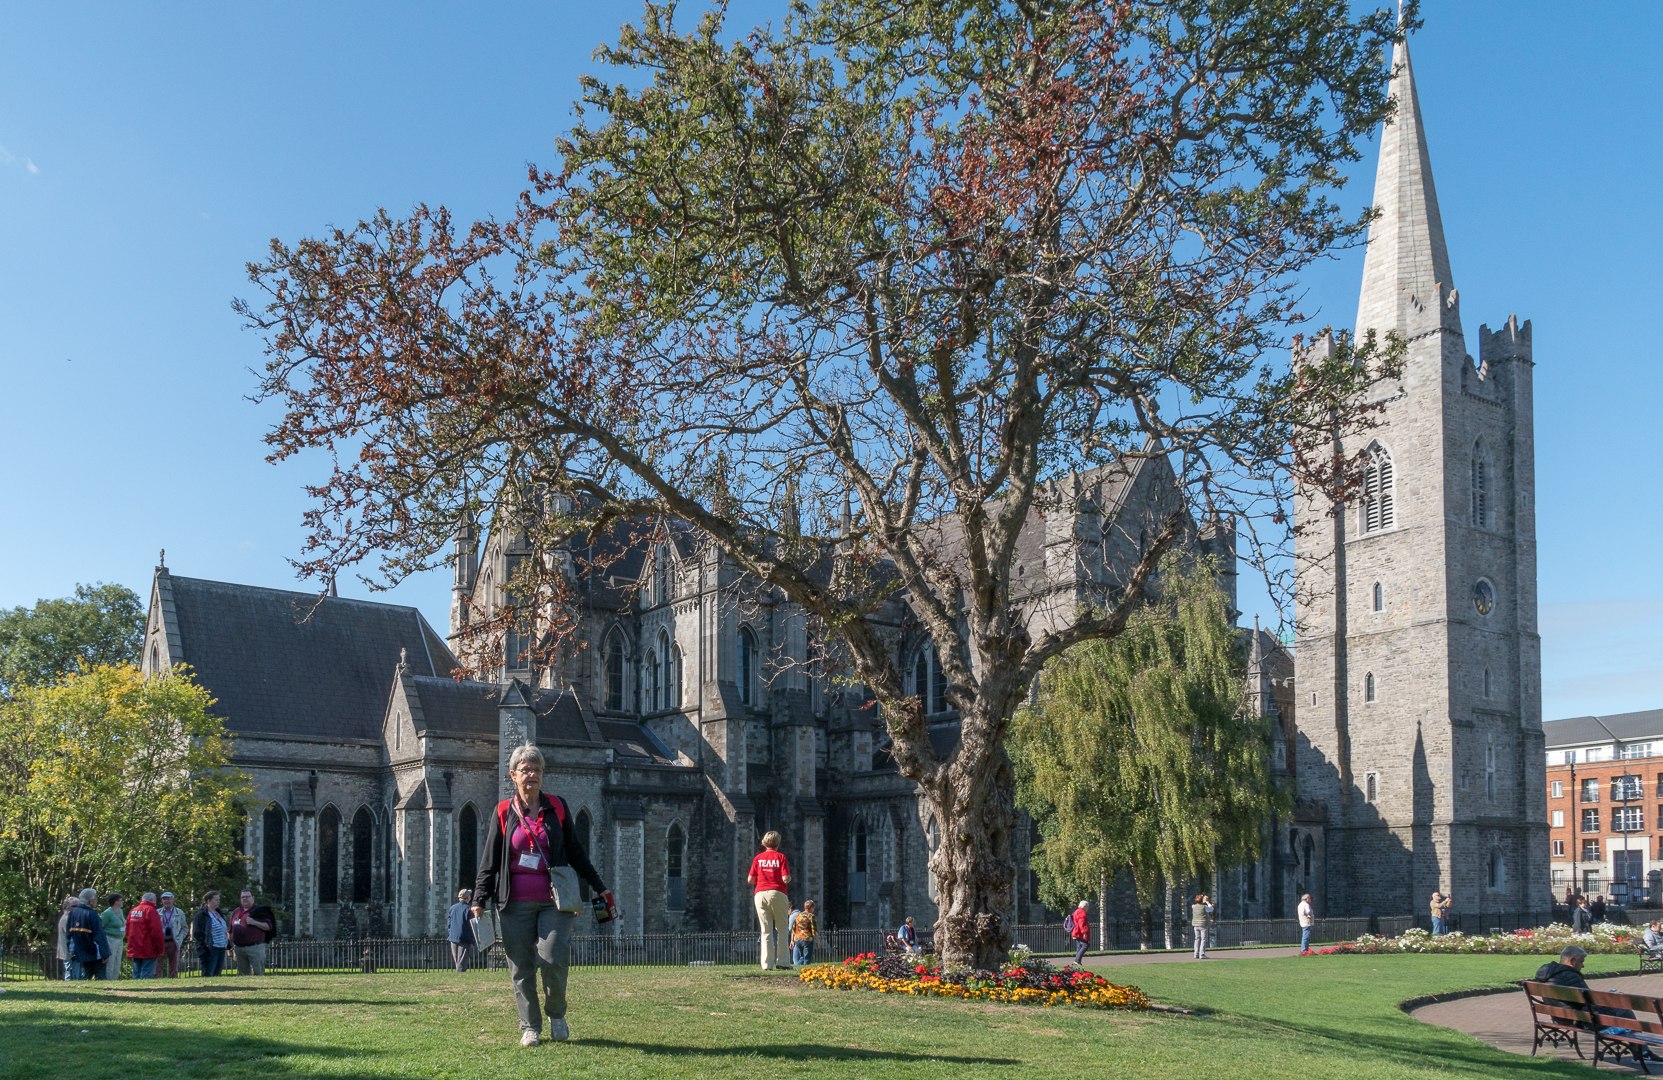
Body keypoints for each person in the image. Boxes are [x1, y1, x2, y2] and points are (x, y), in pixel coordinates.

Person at [473, 744, 614, 1047]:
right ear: (513, 775)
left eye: (537, 769)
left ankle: (557, 1014)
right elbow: (489, 860)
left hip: (555, 901)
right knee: (521, 967)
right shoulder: (503, 811)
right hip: (513, 903)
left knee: (553, 958)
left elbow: (576, 852)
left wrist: (598, 884)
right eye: (525, 770)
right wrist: (478, 899)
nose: (532, 775)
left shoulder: (557, 807)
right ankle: (530, 1027)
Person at [747, 830, 792, 971]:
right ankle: (783, 962)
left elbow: (750, 879)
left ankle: (766, 964)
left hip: (760, 894)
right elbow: (785, 878)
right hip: (777, 892)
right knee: (782, 928)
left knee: (766, 930)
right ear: (777, 843)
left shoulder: (758, 858)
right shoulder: (781, 857)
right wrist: (788, 878)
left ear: (764, 842)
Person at [229, 889, 277, 975]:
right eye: (243, 897)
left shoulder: (259, 910)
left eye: (247, 896)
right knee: (242, 974)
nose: (245, 899)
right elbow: (230, 930)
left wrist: (254, 922)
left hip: (255, 948)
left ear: (253, 898)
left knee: (258, 973)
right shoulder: (236, 911)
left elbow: (268, 927)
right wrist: (229, 947)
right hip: (239, 948)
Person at [65, 889, 109, 980]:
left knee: (86, 977)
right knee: (100, 977)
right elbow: (100, 935)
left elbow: (69, 934)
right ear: (90, 901)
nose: (96, 901)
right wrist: (105, 954)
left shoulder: (72, 913)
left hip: (80, 952)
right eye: (95, 899)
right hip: (95, 953)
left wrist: (70, 950)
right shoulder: (92, 914)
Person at [125, 892, 164, 979]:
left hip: (134, 947)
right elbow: (156, 932)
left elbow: (127, 929)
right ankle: (144, 987)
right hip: (148, 947)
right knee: (146, 973)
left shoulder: (133, 911)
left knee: (136, 973)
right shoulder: (151, 911)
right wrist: (160, 949)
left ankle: (135, 987)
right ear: (153, 900)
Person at [193, 891, 230, 977]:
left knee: (217, 974)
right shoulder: (201, 915)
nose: (218, 901)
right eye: (216, 900)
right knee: (209, 973)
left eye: (219, 900)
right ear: (208, 901)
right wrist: (205, 946)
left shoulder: (219, 914)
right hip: (210, 949)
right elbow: (197, 933)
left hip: (221, 947)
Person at [157, 891, 185, 977]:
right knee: (157, 964)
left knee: (174, 965)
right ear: (162, 901)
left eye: (169, 899)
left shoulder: (179, 912)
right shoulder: (157, 912)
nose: (167, 901)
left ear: (173, 900)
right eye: (164, 899)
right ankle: (156, 981)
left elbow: (185, 928)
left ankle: (173, 981)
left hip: (173, 941)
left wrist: (180, 938)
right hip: (160, 941)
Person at [447, 888, 476, 973]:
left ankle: (459, 974)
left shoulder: (452, 908)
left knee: (457, 959)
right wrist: (473, 938)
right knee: (462, 960)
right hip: (464, 937)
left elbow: (449, 923)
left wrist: (450, 932)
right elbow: (472, 925)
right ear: (468, 898)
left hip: (453, 936)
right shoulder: (469, 909)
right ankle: (460, 975)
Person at [100, 893, 126, 979]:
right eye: (121, 900)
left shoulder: (120, 911)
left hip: (119, 939)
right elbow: (100, 926)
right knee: (110, 962)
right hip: (110, 939)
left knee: (117, 961)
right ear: (116, 902)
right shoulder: (107, 913)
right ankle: (108, 980)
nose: (122, 902)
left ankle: (115, 980)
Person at [56, 895, 81, 980]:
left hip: (72, 950)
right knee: (70, 972)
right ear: (68, 907)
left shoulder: (70, 917)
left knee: (75, 972)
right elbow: (71, 934)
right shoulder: (67, 918)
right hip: (69, 950)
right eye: (75, 906)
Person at [790, 899, 817, 967]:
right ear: (811, 907)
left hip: (797, 938)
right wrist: (816, 940)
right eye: (813, 908)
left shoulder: (798, 915)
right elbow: (814, 929)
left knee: (802, 957)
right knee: (807, 958)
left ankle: (796, 967)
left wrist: (792, 940)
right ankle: (805, 970)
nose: (813, 909)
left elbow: (794, 928)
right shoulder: (811, 916)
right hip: (807, 938)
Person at [1067, 900, 1091, 965]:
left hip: (1076, 932)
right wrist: (1084, 933)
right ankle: (1077, 960)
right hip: (1079, 932)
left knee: (1079, 946)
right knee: (1085, 945)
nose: (1088, 908)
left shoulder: (1077, 911)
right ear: (1084, 906)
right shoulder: (1082, 912)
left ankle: (1077, 961)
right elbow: (1082, 923)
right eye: (1087, 907)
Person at [1191, 894, 1213, 959]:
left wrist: (1201, 898)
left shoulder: (1193, 906)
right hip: (1202, 924)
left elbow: (1197, 903)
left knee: (1197, 939)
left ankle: (1196, 954)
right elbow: (1211, 908)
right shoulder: (1204, 907)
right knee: (1203, 939)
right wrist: (1207, 901)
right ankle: (1202, 954)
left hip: (1195, 924)